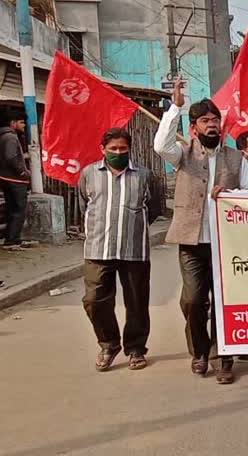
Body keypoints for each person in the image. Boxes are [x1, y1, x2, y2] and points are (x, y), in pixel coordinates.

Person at [154, 79, 248, 385]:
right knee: (193, 300)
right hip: (192, 242)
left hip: (226, 244)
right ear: (195, 127)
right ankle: (199, 351)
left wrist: (230, 194)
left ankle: (223, 358)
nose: (212, 125)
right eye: (205, 121)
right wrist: (176, 106)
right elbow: (161, 145)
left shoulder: (236, 158)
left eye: (215, 120)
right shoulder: (183, 154)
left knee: (226, 302)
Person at [79, 127, 154, 372]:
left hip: (134, 250)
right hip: (98, 249)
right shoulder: (89, 173)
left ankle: (135, 348)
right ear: (103, 149)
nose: (118, 153)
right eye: (113, 149)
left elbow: (152, 209)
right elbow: (85, 205)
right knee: (94, 300)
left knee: (137, 302)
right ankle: (109, 344)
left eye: (123, 148)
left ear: (129, 149)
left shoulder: (143, 175)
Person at [0, 110, 34, 250]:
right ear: (13, 123)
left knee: (11, 208)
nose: (24, 125)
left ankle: (10, 237)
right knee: (19, 209)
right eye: (21, 122)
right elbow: (11, 157)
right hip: (15, 179)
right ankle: (13, 240)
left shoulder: (3, 136)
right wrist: (23, 172)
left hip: (5, 177)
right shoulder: (10, 137)